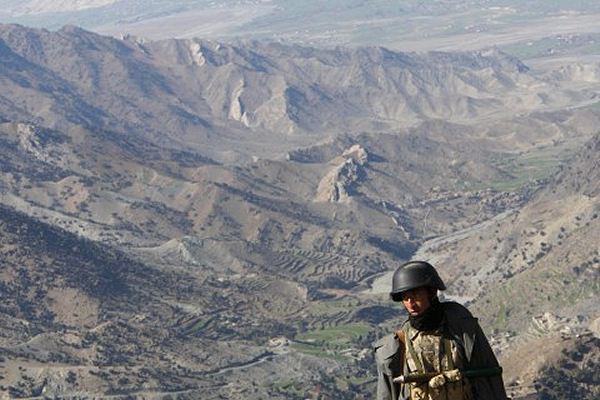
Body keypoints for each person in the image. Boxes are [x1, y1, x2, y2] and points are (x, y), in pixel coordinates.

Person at [373, 261, 508, 400]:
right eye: (405, 298)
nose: (411, 304)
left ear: (431, 293)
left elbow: (489, 379)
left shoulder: (461, 329)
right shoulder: (398, 345)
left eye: (416, 296)